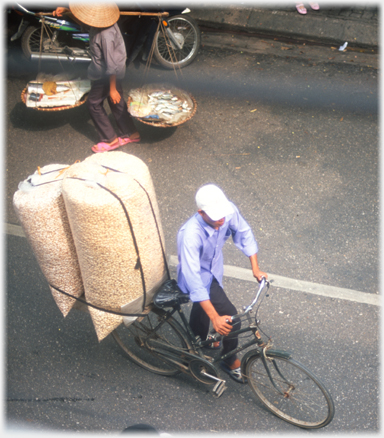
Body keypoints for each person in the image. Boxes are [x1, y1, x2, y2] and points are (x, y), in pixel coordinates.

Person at [177, 184, 268, 383]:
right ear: (201, 213)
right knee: (230, 317)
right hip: (199, 277)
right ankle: (229, 360)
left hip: (214, 269)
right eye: (216, 217)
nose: (222, 220)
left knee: (202, 309)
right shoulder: (190, 235)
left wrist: (255, 268)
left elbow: (244, 232)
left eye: (223, 216)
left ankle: (195, 343)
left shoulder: (226, 211)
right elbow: (193, 279)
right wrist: (216, 318)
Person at [53, 4, 140, 153]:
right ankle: (131, 133)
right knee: (116, 102)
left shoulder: (105, 34)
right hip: (113, 71)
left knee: (93, 103)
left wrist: (112, 88)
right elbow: (84, 23)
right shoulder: (100, 24)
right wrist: (68, 12)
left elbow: (111, 65)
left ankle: (110, 139)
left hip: (106, 74)